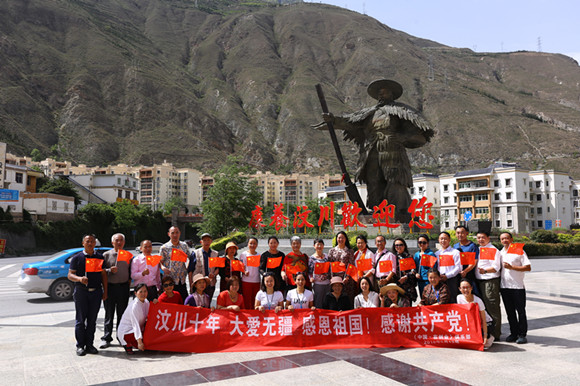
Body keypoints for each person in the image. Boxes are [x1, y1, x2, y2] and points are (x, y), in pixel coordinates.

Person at [315, 79, 434, 222]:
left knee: (395, 180)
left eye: (384, 93)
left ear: (392, 94)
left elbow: (421, 134)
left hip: (392, 152)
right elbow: (351, 123)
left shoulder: (402, 111)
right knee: (373, 180)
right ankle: (377, 209)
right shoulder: (369, 113)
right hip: (371, 150)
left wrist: (400, 137)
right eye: (379, 93)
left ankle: (398, 210)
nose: (381, 96)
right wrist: (333, 120)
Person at [67, 234, 108, 356]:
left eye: (92, 241)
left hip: (95, 292)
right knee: (80, 320)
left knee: (92, 320)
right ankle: (80, 345)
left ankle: (89, 344)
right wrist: (79, 279)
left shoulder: (99, 257)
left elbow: (103, 275)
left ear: (95, 243)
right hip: (81, 292)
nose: (90, 243)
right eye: (87, 241)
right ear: (83, 243)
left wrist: (105, 291)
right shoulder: (77, 258)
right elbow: (70, 275)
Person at [100, 233, 132, 349]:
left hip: (123, 288)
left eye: (121, 240)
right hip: (110, 287)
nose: (119, 243)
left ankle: (120, 336)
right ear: (112, 242)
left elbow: (131, 272)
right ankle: (106, 338)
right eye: (117, 240)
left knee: (122, 314)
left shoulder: (128, 255)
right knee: (109, 314)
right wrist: (109, 270)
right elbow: (101, 271)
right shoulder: (106, 255)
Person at [499, 232, 531, 344]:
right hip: (504, 286)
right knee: (510, 312)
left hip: (517, 286)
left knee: (520, 311)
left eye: (507, 238)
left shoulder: (519, 250)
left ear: (511, 239)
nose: (505, 240)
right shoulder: (500, 253)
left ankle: (522, 334)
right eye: (502, 239)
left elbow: (528, 267)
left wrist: (512, 267)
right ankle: (513, 333)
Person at [475, 231, 502, 340]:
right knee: (483, 308)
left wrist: (485, 271)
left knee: (492, 307)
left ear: (488, 238)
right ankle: (487, 332)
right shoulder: (478, 249)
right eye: (478, 238)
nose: (480, 239)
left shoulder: (493, 249)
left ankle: (495, 334)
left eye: (483, 237)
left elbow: (496, 267)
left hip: (489, 281)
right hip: (480, 281)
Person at [457, 279, 494, 350]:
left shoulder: (478, 300)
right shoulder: (459, 298)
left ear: (471, 288)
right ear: (460, 289)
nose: (465, 290)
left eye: (467, 287)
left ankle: (490, 336)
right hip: (472, 323)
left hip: (485, 323)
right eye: (463, 288)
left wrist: (485, 336)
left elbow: (483, 320)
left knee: (485, 344)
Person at [117, 283, 151, 355]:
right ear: (135, 293)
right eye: (140, 292)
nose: (143, 294)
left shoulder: (147, 302)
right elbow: (135, 325)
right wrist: (140, 342)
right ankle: (127, 344)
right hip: (127, 332)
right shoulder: (134, 306)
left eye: (145, 291)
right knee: (146, 344)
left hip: (138, 330)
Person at [160, 226, 191, 301]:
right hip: (170, 281)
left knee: (184, 302)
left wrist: (187, 268)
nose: (175, 235)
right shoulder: (164, 247)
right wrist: (163, 268)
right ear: (169, 234)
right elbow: (160, 262)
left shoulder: (184, 246)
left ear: (180, 233)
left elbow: (190, 258)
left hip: (181, 279)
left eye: (177, 233)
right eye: (172, 233)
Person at [327, 231, 357, 304]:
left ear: (345, 239)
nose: (340, 239)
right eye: (339, 238)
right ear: (336, 239)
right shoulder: (332, 251)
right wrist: (331, 278)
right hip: (335, 279)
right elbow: (329, 265)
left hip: (346, 280)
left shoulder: (349, 251)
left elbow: (351, 265)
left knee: (346, 299)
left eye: (342, 238)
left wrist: (347, 277)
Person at [189, 233, 219, 299]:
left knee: (207, 304)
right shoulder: (195, 253)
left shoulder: (215, 254)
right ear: (201, 242)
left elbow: (217, 268)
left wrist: (214, 274)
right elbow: (190, 270)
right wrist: (191, 285)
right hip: (198, 285)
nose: (206, 242)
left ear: (211, 241)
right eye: (204, 240)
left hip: (210, 284)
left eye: (208, 240)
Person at [453, 225, 480, 296]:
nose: (460, 235)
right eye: (458, 233)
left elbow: (474, 261)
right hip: (458, 275)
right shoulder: (455, 246)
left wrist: (465, 271)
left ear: (467, 233)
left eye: (462, 232)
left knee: (473, 295)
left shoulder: (472, 246)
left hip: (469, 275)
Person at [435, 232, 461, 304]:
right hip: (440, 280)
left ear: (449, 240)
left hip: (451, 280)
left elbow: (458, 268)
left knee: (452, 299)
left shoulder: (455, 252)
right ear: (439, 240)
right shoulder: (437, 254)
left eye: (445, 239)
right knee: (441, 300)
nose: (443, 241)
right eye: (441, 239)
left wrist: (447, 276)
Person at [393, 238, 418, 303]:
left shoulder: (409, 257)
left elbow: (414, 271)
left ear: (404, 246)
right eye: (396, 245)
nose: (398, 247)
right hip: (397, 286)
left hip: (407, 286)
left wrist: (406, 276)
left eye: (400, 245)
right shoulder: (393, 257)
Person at [240, 237, 261, 310]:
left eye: (254, 243)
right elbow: (241, 266)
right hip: (246, 280)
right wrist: (244, 271)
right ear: (248, 244)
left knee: (255, 300)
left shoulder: (259, 255)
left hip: (256, 280)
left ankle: (254, 316)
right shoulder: (243, 254)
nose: (252, 245)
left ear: (257, 245)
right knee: (246, 299)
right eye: (250, 243)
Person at [309, 238, 331, 309]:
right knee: (318, 301)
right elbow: (309, 271)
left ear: (323, 246)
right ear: (314, 246)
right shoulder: (312, 258)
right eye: (317, 244)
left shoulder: (327, 257)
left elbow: (330, 269)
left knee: (327, 301)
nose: (319, 246)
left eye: (321, 244)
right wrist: (311, 278)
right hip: (318, 283)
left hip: (327, 283)